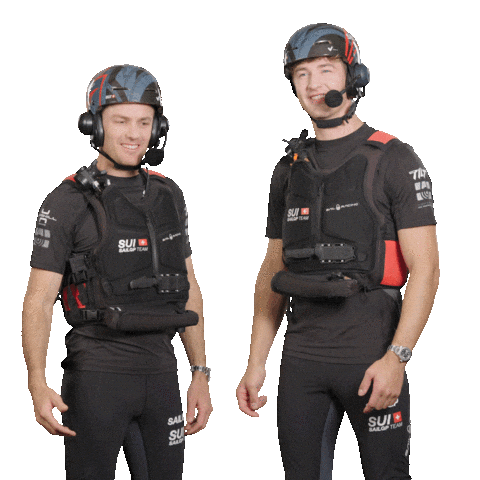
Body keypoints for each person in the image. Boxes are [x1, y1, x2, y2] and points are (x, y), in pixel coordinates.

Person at [236, 24, 439, 480]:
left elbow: (426, 268)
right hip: (301, 364)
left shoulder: (395, 159)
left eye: (326, 69)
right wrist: (256, 363)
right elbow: (271, 270)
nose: (313, 84)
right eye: (302, 74)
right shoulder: (288, 169)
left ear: (353, 76)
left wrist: (397, 358)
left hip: (373, 355)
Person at [23, 65, 213, 480]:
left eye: (144, 122)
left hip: (162, 376)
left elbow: (190, 287)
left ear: (158, 127)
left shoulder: (169, 194)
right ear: (94, 125)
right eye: (121, 121)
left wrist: (200, 372)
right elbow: (38, 300)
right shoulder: (66, 201)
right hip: (96, 379)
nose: (134, 134)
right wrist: (37, 382)